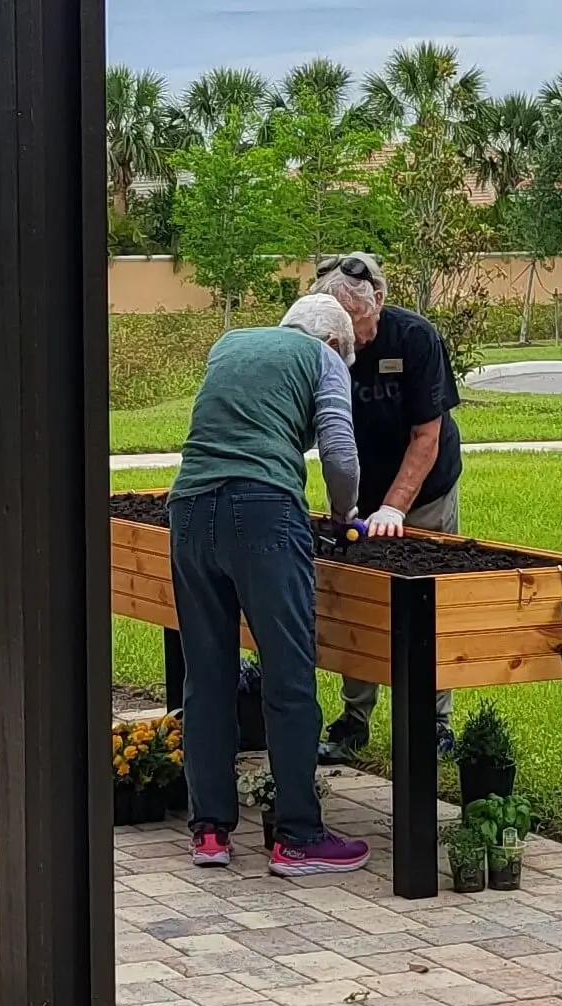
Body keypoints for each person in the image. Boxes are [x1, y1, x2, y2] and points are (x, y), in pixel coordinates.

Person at [169, 293, 372, 876]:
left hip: (187, 513)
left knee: (206, 677)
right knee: (288, 676)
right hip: (262, 511)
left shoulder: (228, 344)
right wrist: (343, 513)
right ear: (334, 341)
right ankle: (298, 837)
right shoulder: (324, 358)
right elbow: (339, 451)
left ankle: (209, 831)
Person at [310, 257, 466, 764]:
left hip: (423, 493)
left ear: (378, 300)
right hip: (359, 492)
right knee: (360, 603)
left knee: (426, 604)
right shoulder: (322, 341)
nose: (353, 340)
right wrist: (349, 503)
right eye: (342, 328)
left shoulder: (415, 338)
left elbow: (428, 436)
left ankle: (434, 722)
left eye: (360, 325)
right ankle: (355, 718)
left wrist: (396, 509)